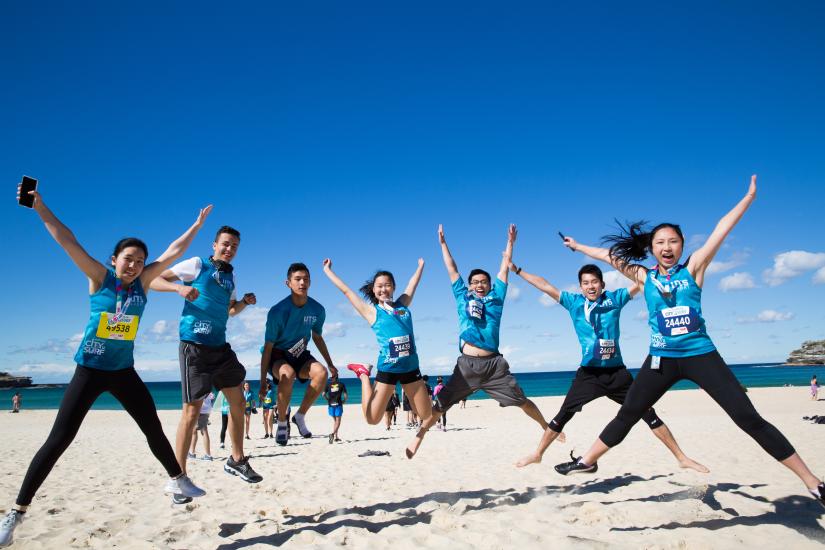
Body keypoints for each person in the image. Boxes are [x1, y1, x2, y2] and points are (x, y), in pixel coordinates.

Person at [551, 176, 825, 507]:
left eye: (674, 241)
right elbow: (610, 256)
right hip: (660, 360)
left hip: (701, 355)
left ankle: (812, 482)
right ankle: (588, 460)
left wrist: (748, 198)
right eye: (660, 242)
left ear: (682, 245)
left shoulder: (693, 268)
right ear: (651, 248)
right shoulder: (644, 276)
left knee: (747, 418)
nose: (667, 247)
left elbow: (721, 230)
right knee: (630, 411)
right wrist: (578, 247)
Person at [1, 186, 211, 547]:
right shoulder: (100, 278)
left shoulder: (143, 284)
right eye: (128, 258)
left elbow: (174, 252)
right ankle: (17, 512)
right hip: (89, 371)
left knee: (152, 426)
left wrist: (196, 225)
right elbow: (67, 240)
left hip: (122, 371)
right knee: (59, 439)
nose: (134, 265)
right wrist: (39, 206)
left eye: (140, 260)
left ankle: (177, 477)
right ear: (114, 259)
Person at [511, 261, 706, 472]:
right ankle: (538, 454)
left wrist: (657, 270)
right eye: (585, 283)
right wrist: (518, 271)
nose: (590, 286)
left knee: (648, 413)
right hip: (589, 375)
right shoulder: (574, 303)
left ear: (602, 284)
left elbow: (641, 283)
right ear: (580, 287)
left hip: (617, 374)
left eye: (594, 282)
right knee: (563, 414)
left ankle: (681, 457)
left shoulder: (614, 299)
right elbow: (545, 286)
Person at [406, 225, 549, 459]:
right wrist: (443, 244)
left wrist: (510, 243)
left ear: (490, 285)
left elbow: (505, 270)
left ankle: (545, 426)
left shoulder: (496, 298)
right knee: (440, 405)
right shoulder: (463, 296)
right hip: (467, 366)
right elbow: (452, 270)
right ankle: (419, 435)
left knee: (522, 401)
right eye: (475, 282)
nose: (479, 284)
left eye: (484, 281)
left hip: (494, 366)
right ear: (470, 285)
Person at [149, 225, 262, 485]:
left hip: (220, 348)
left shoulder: (230, 278)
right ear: (214, 245)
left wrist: (243, 302)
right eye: (225, 244)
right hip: (195, 347)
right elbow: (154, 279)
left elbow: (229, 311)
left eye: (234, 245)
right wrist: (179, 289)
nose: (229, 249)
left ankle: (236, 459)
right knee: (191, 412)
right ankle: (178, 476)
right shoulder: (197, 264)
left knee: (239, 401)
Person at [323, 258, 433, 427]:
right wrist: (328, 271)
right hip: (388, 369)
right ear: (374, 290)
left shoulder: (402, 305)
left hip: (410, 368)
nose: (383, 289)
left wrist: (420, 267)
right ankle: (364, 375)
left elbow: (413, 284)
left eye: (387, 285)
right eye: (379, 286)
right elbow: (346, 291)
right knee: (372, 419)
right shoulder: (372, 312)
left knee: (426, 414)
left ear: (393, 287)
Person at [260, 263, 337, 446]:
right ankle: (281, 424)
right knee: (288, 374)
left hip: (300, 353)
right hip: (277, 355)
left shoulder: (318, 310)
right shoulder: (278, 311)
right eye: (298, 279)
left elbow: (317, 337)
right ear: (288, 283)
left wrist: (330, 363)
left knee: (322, 373)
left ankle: (300, 416)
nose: (303, 282)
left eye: (306, 279)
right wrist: (263, 380)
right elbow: (268, 347)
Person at [190, 391, 214, 461]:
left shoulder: (201, 388)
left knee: (202, 431)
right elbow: (211, 400)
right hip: (206, 411)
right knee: (197, 431)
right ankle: (192, 452)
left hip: (201, 410)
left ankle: (207, 455)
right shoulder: (209, 389)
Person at [323, 374, 348, 443]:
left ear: (332, 378)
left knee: (335, 421)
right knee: (338, 421)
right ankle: (333, 434)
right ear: (337, 378)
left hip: (331, 405)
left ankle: (336, 437)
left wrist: (328, 400)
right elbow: (345, 395)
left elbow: (323, 394)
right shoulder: (341, 384)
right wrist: (344, 401)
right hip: (338, 404)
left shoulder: (328, 385)